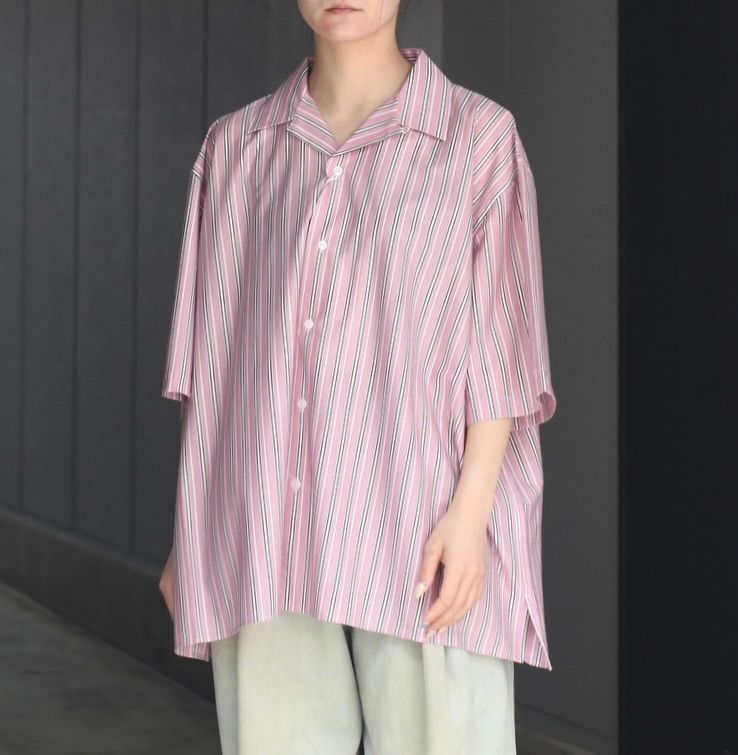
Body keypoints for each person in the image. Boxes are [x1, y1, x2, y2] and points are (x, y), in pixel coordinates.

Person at [158, 0, 558, 752]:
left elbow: (502, 349)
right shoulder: (236, 147)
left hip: (425, 519)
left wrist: (471, 515)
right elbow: (213, 363)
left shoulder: (476, 137)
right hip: (264, 520)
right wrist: (192, 532)